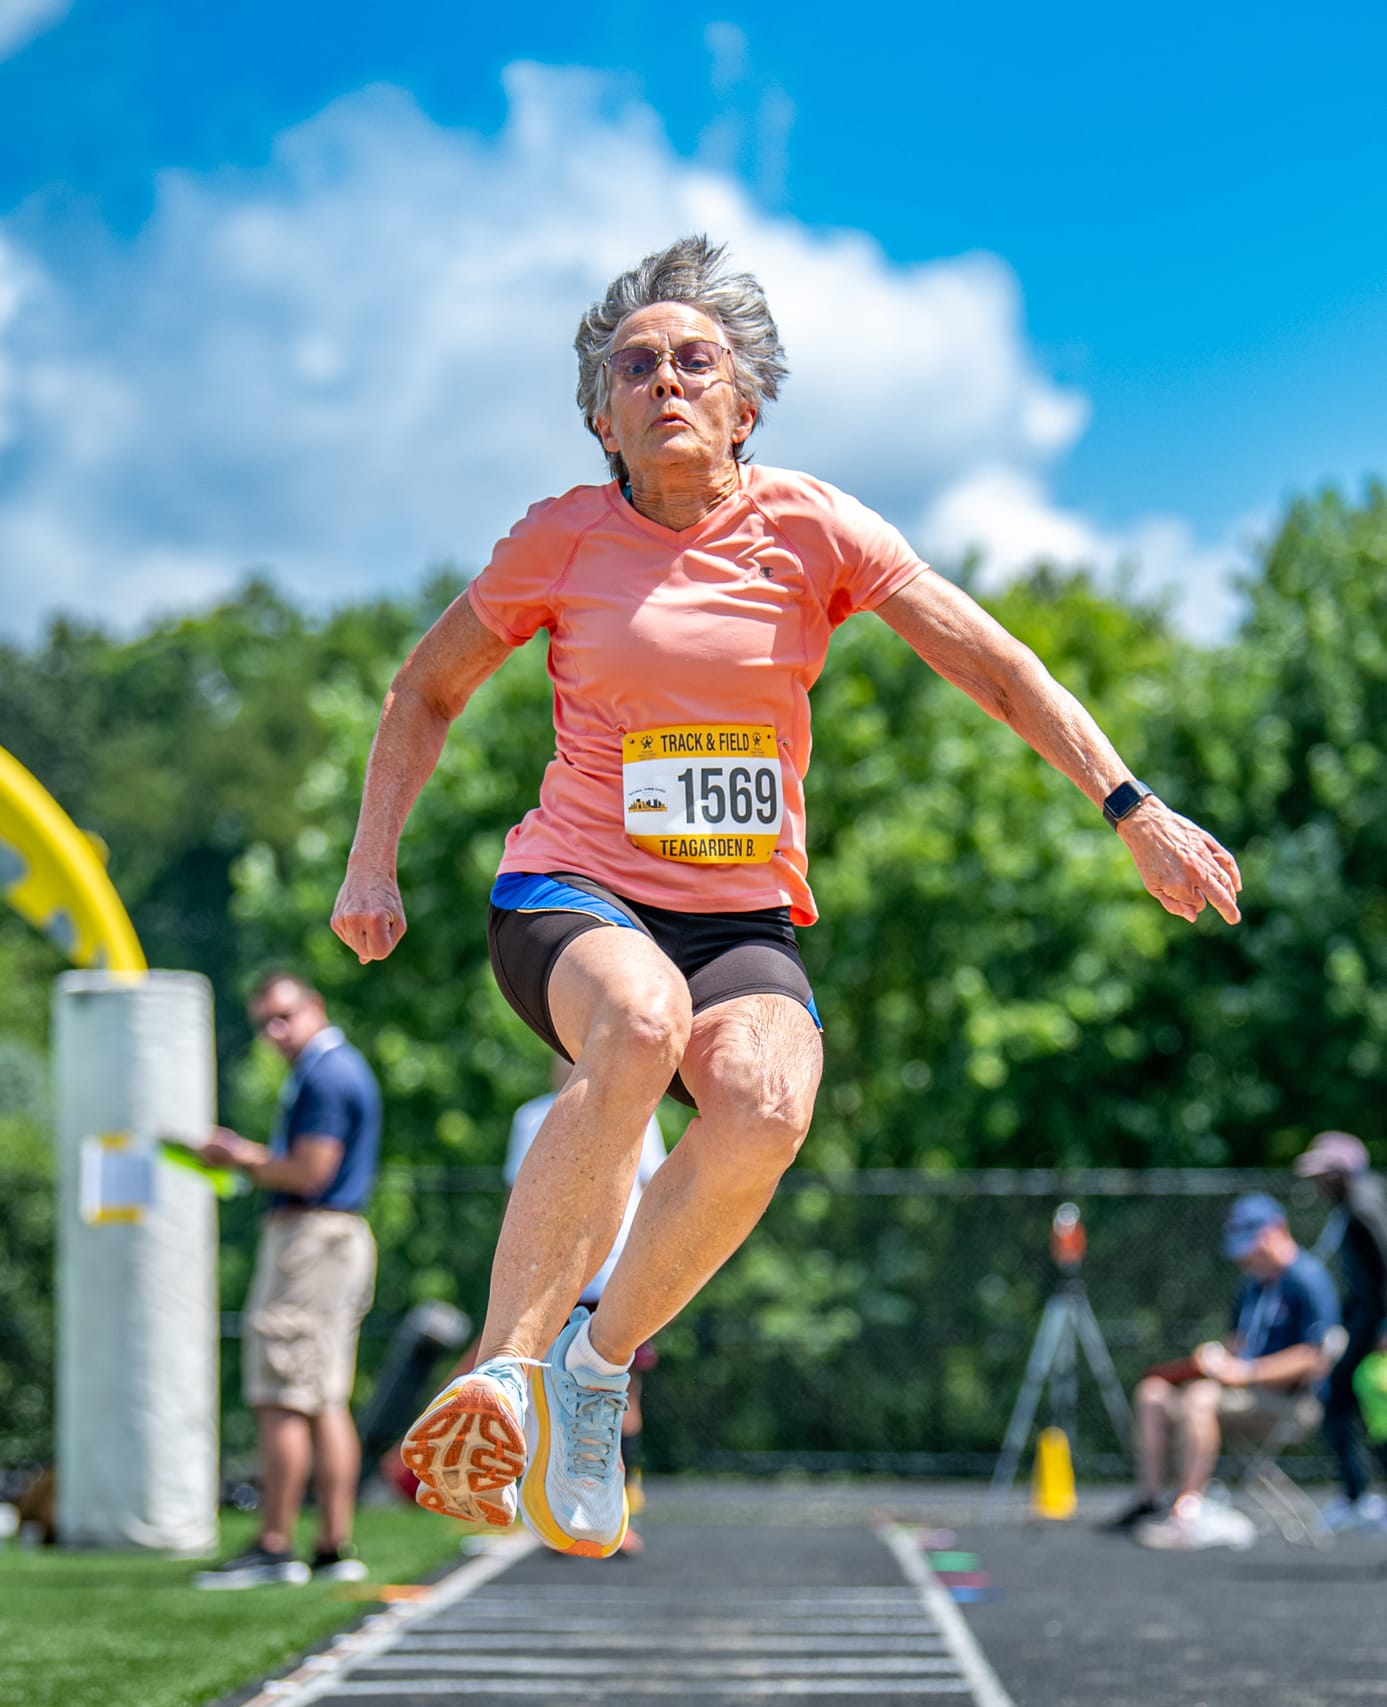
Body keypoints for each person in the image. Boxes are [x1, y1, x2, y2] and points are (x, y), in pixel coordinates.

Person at [330, 233, 1242, 1561]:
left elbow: (992, 666)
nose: (664, 383)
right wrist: (373, 859)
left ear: (743, 402)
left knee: (763, 1104)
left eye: (693, 361)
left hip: (740, 922)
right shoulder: (558, 541)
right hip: (569, 889)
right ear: (600, 414)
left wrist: (1129, 807)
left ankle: (595, 1368)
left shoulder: (811, 527)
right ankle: (505, 1375)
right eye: (633, 368)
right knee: (635, 1028)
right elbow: (423, 691)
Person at [193, 972, 382, 1588]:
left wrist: (238, 1155)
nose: (275, 1032)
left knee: (282, 1394)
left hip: (312, 1242)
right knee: (325, 1397)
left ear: (315, 1006)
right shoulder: (340, 1067)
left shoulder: (325, 1074)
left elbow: (308, 1171)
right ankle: (332, 1545)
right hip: (337, 1239)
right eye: (264, 1022)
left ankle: (275, 1544)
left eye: (284, 1016)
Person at [1111, 1193, 1340, 1550]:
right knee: (1153, 1392)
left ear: (1277, 1230)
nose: (1247, 1257)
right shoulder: (1250, 1285)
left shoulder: (1307, 1280)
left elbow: (1315, 1356)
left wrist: (1247, 1373)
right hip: (1240, 1393)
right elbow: (1237, 1344)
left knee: (1200, 1399)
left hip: (1291, 1404)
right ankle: (1151, 1499)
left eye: (1253, 1246)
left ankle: (1188, 1511)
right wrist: (1215, 1361)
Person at [503, 1063, 666, 1554]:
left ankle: (618, 1503)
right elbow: (519, 1199)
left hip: (616, 1273)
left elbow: (656, 1187)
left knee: (619, 1395)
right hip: (554, 1276)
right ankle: (556, 1508)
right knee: (549, 1395)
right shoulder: (532, 1117)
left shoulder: (640, 1111)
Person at [1294, 1132, 1387, 1530]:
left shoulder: (1366, 1204)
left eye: (1325, 1174)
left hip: (1377, 1327)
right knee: (1348, 1405)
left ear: (1344, 1172)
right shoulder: (1353, 1205)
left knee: (1360, 1407)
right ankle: (1357, 1496)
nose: (1319, 1184)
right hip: (1366, 1323)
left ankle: (1358, 1498)